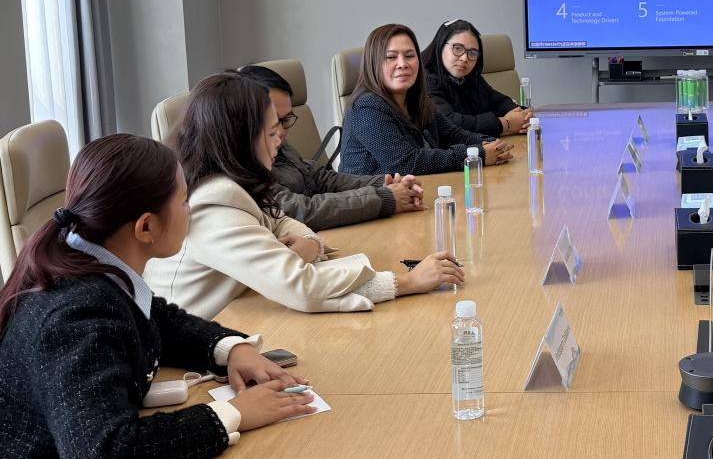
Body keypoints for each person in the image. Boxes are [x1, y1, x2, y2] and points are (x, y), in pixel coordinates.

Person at [0, 134, 313, 459]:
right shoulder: (77, 314)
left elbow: (155, 317)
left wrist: (230, 349)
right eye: (183, 201)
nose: (189, 209)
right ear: (146, 226)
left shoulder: (87, 260)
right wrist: (233, 413)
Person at [144, 73, 462, 319]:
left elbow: (284, 221)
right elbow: (302, 288)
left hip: (246, 314)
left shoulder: (233, 181)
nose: (279, 141)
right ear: (241, 140)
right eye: (271, 133)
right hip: (195, 350)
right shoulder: (214, 207)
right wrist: (407, 282)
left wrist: (309, 245)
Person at [236, 65, 425, 231]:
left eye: (286, 119)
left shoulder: (274, 141)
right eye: (275, 120)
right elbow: (301, 210)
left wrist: (383, 183)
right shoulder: (240, 163)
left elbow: (318, 178)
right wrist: (385, 198)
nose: (280, 131)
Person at [340, 23, 515, 176]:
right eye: (391, 57)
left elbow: (454, 135)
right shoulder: (366, 106)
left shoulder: (417, 99)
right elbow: (407, 162)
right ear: (374, 63)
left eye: (409, 55)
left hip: (417, 191)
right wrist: (478, 154)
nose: (403, 64)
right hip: (371, 200)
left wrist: (492, 144)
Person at [421, 19, 532, 138]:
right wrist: (505, 124)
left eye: (472, 53)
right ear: (440, 45)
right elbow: (448, 123)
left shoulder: (470, 77)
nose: (465, 58)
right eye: (457, 48)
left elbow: (498, 101)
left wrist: (523, 115)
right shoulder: (424, 80)